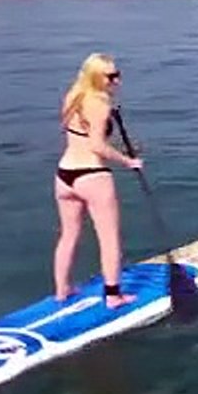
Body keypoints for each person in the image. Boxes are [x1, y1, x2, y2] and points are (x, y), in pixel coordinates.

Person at [54, 53, 142, 309]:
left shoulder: (73, 95)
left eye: (118, 75)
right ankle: (114, 296)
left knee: (68, 235)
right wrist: (128, 161)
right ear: (96, 76)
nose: (117, 81)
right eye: (111, 76)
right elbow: (96, 146)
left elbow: (80, 135)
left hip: (64, 175)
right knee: (109, 238)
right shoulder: (100, 105)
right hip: (92, 176)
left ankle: (62, 290)